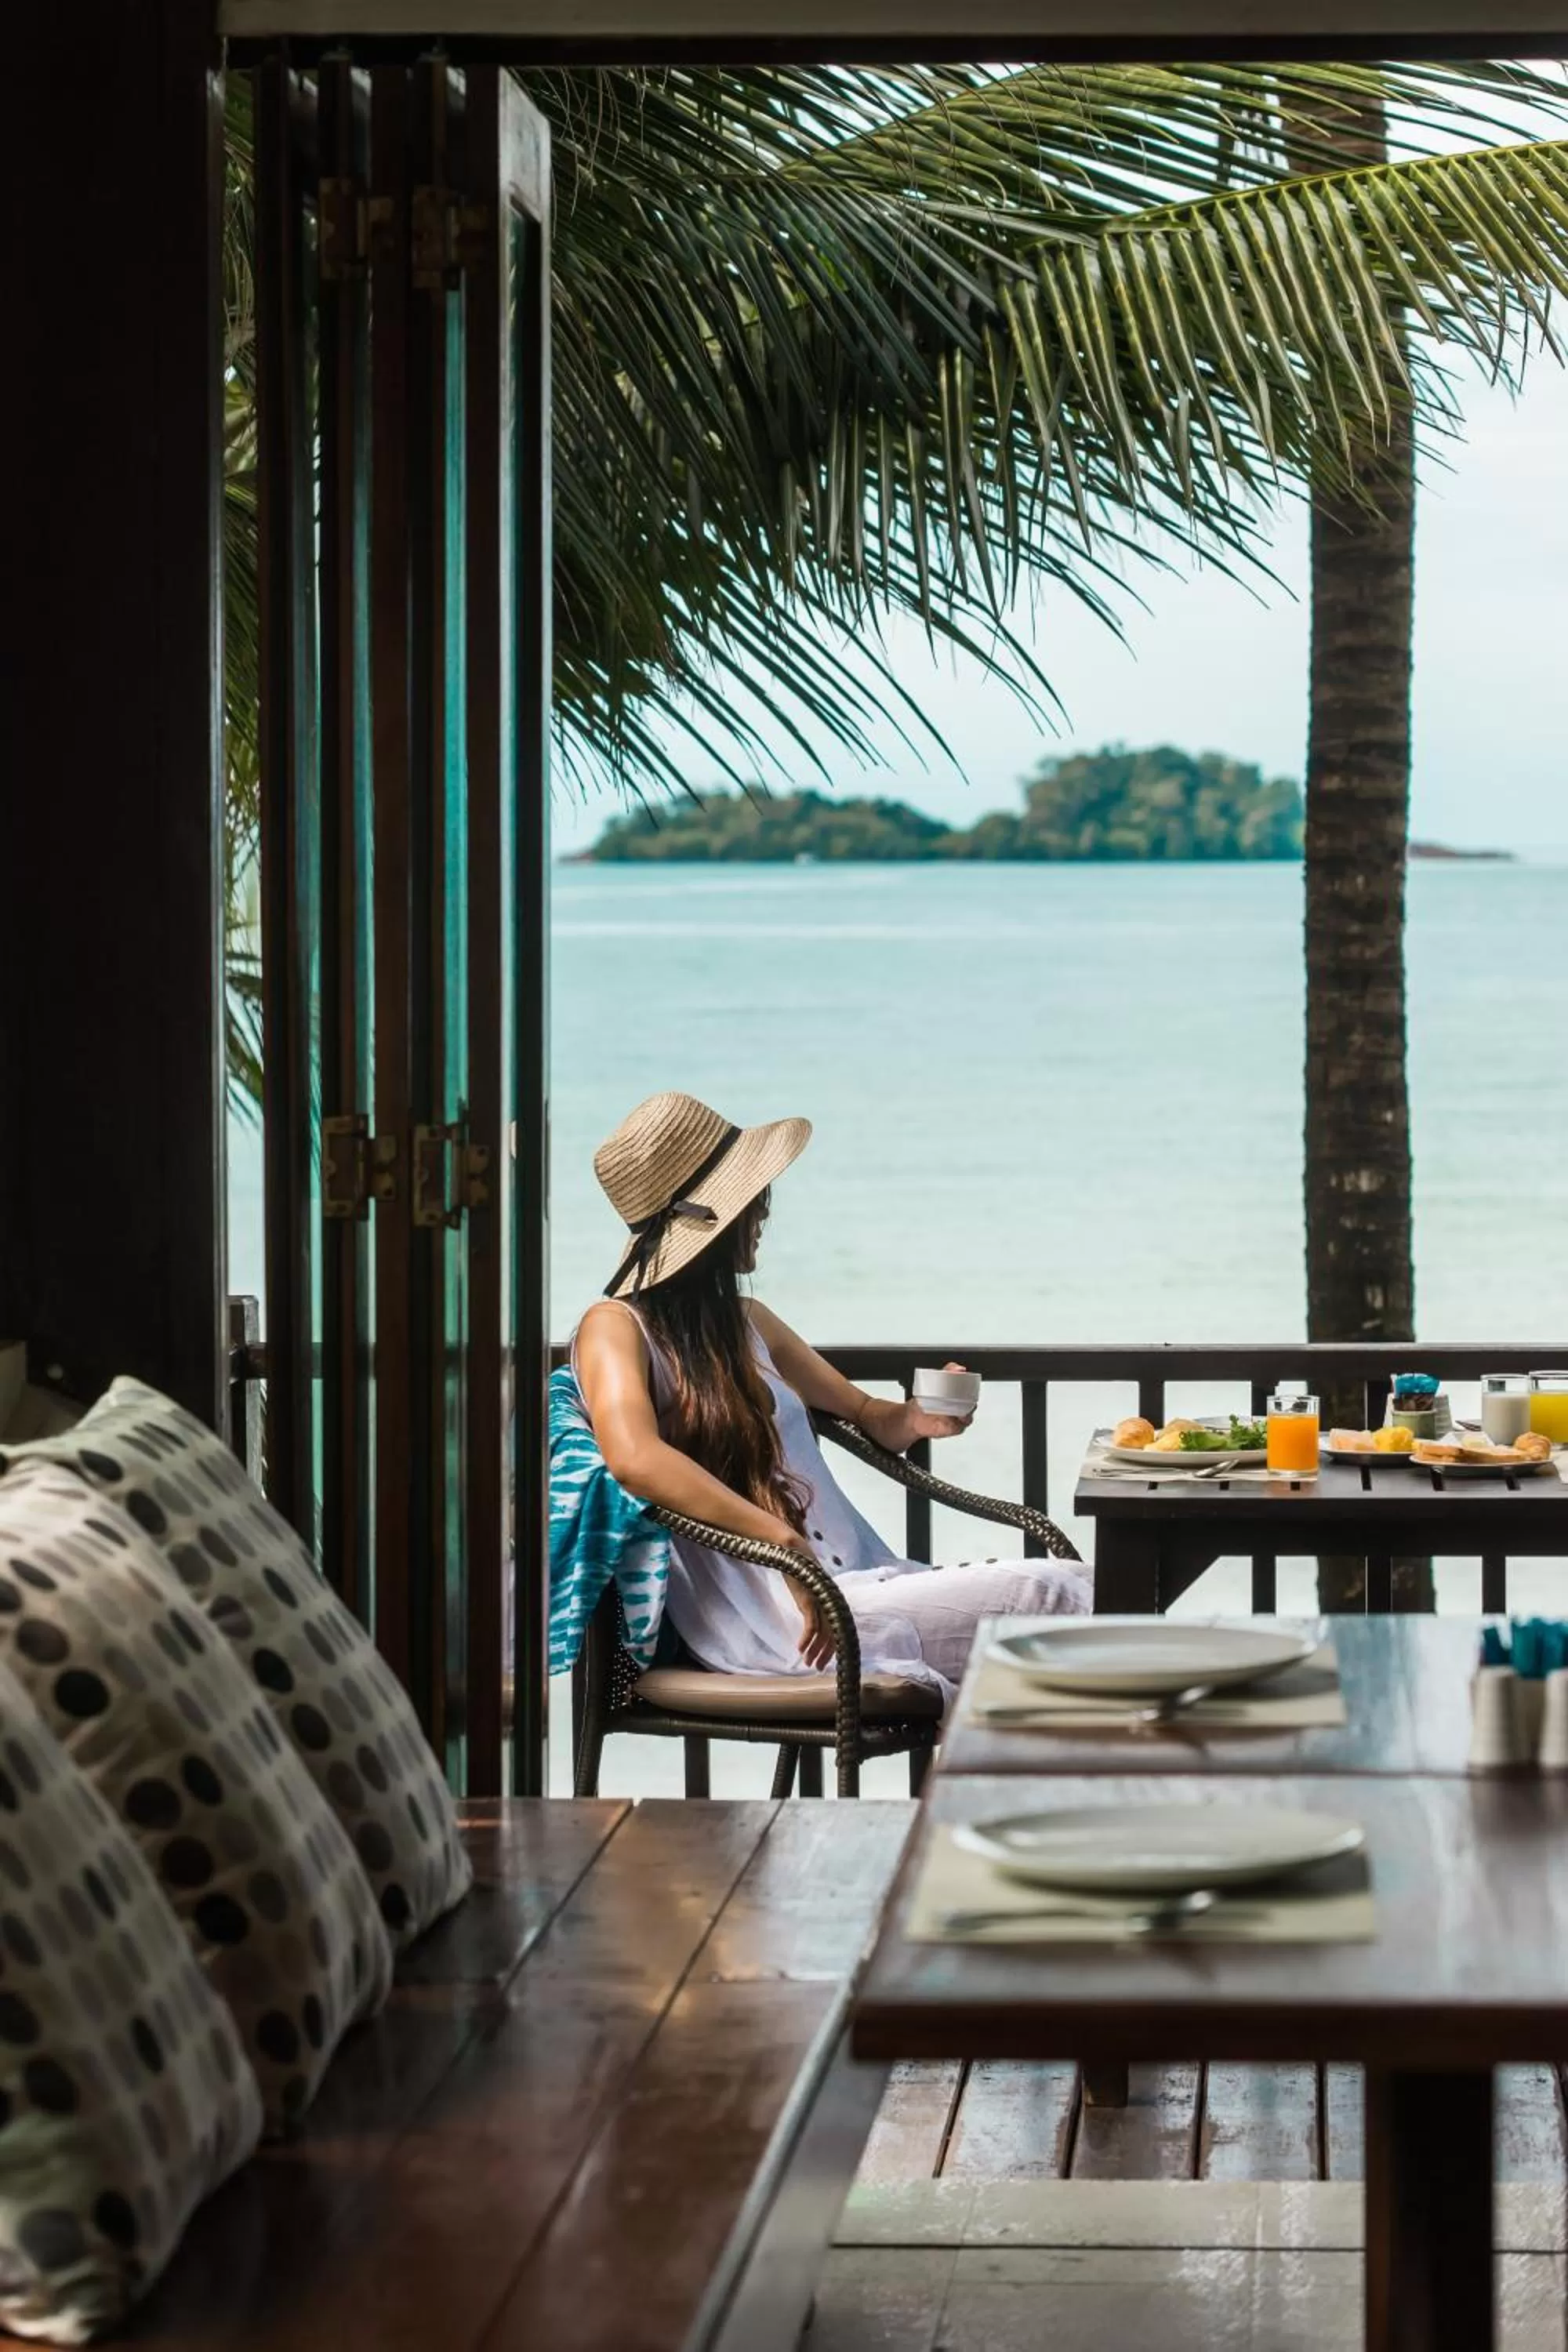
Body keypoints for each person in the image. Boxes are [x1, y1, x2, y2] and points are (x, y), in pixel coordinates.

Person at [572, 1091, 1091, 1711]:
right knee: (1065, 1592)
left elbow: (869, 1416)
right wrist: (782, 1544)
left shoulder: (748, 1322)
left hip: (860, 1586)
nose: (764, 1214)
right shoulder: (614, 1326)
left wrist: (919, 1418)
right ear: (713, 1222)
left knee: (1076, 1622)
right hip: (779, 1620)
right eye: (753, 1199)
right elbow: (632, 1456)